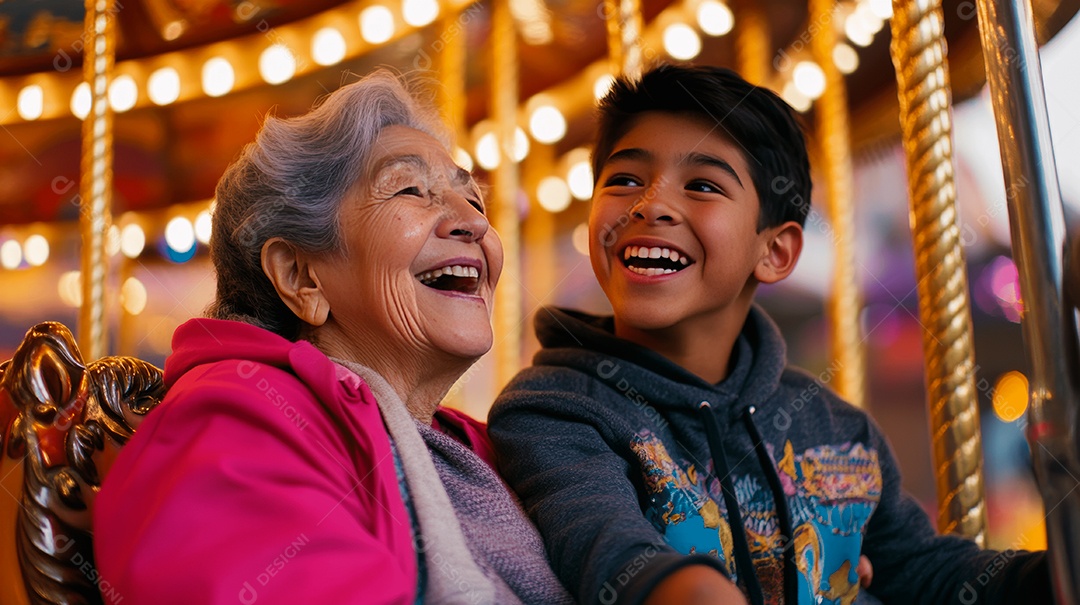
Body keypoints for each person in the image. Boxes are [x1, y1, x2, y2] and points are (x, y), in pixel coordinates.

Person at [487, 64, 1052, 605]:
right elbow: (611, 551)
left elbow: (929, 574)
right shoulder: (557, 410)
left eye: (703, 186)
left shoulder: (835, 427)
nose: (650, 203)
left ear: (774, 251)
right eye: (625, 178)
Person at [93, 70, 572, 605]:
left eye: (475, 201)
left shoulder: (488, 445)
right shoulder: (234, 417)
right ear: (301, 277)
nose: (473, 224)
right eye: (411, 190)